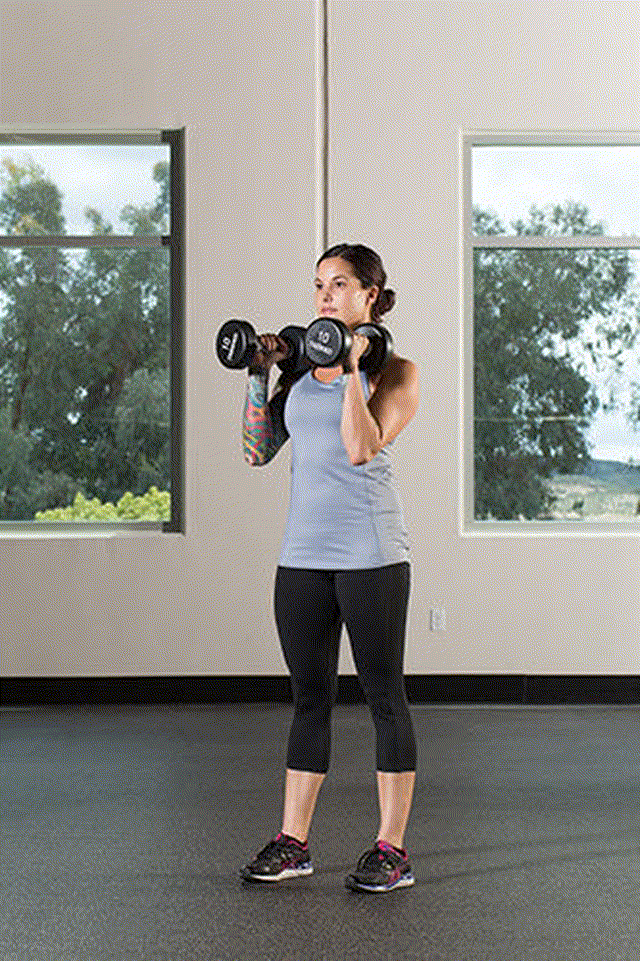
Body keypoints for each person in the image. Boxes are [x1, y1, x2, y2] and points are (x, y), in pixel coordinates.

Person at [238, 244, 419, 893]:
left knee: (383, 697)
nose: (324, 295)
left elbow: (361, 446)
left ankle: (391, 850)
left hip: (371, 554)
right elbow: (257, 450)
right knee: (309, 698)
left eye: (339, 284)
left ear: (371, 295)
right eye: (318, 284)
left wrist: (348, 365)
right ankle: (294, 842)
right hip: (302, 557)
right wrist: (260, 373)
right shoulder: (299, 376)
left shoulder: (395, 372)